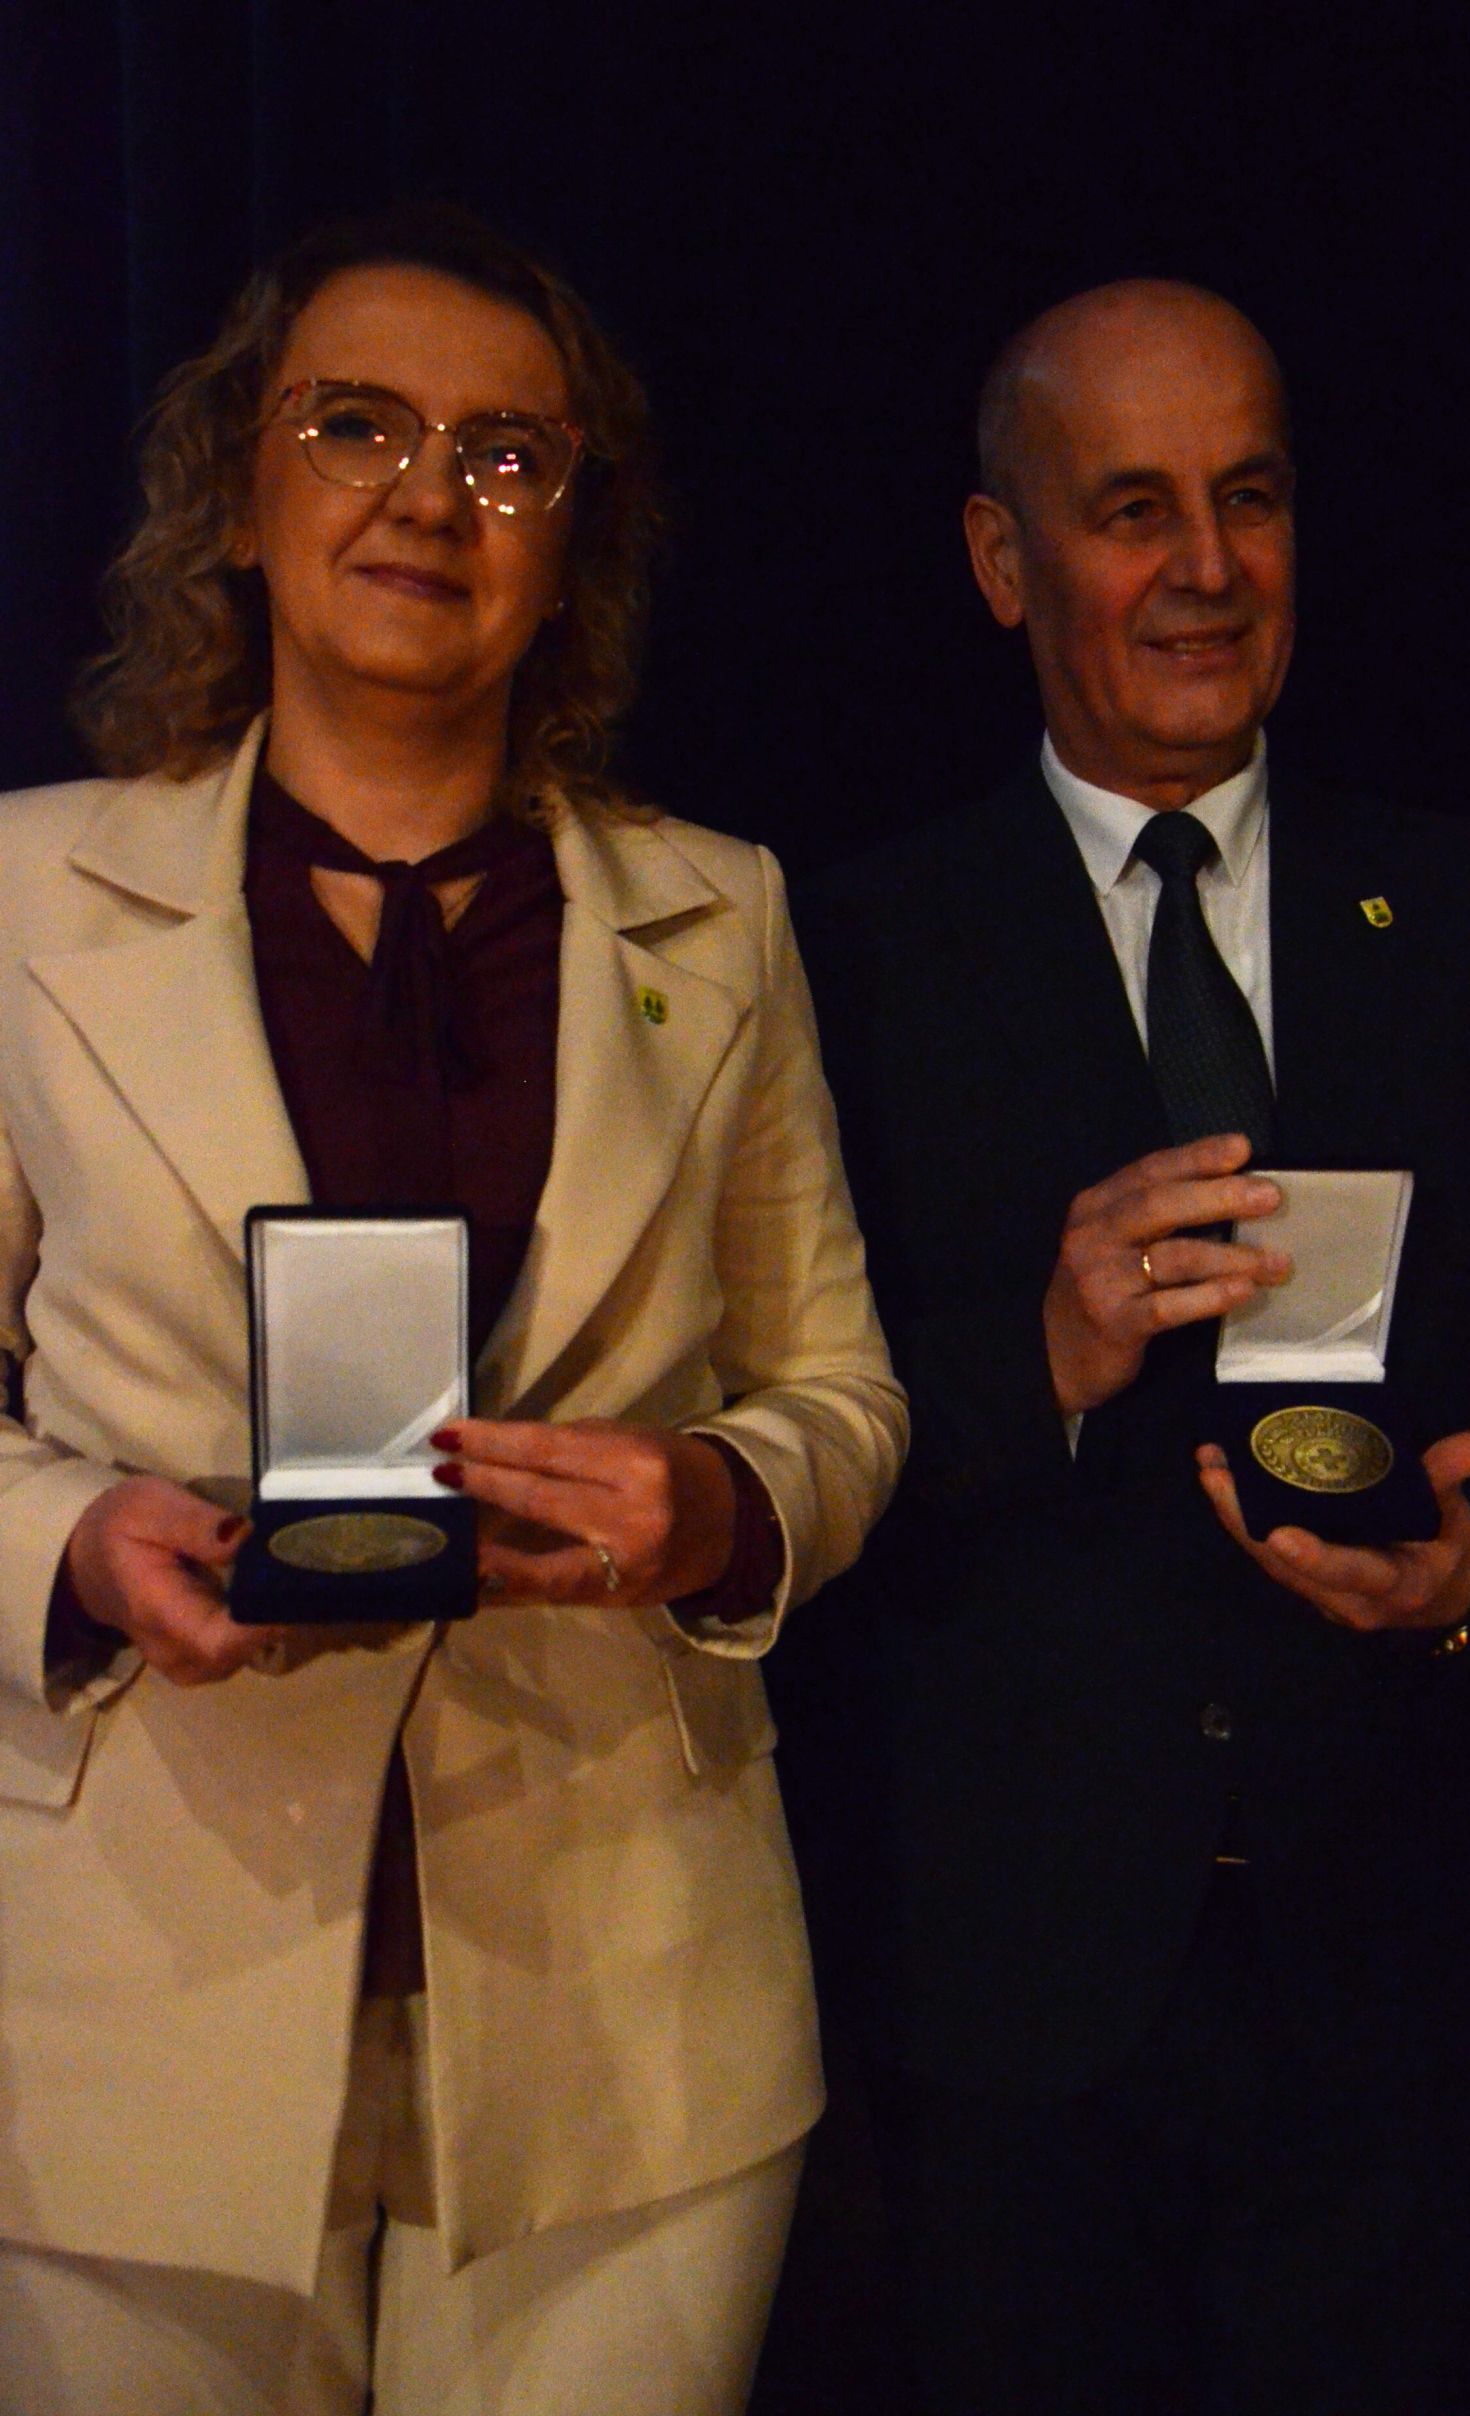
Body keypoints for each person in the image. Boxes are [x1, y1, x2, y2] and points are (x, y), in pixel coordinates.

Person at [0, 203, 906, 2416]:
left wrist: (715, 1506)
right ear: (239, 490)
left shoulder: (721, 913)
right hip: (133, 2006)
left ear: (571, 540)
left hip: (631, 2023)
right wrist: (74, 1544)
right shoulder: (21, 896)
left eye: (509, 455)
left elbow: (839, 1388)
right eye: (357, 428)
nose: (429, 496)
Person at [782, 280, 1470, 2414]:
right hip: (1011, 2005)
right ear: (1002, 561)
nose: (1208, 568)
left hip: (1402, 1981)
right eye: (1131, 509)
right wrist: (1041, 1357)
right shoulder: (844, 950)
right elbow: (782, 1437)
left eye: (1251, 497)